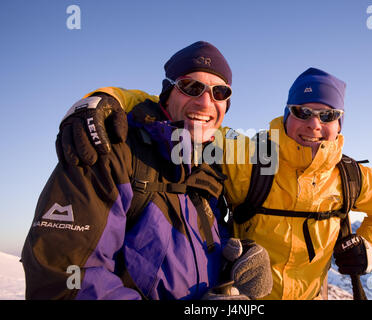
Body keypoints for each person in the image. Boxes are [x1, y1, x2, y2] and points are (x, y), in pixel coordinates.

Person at [51, 64, 372, 298]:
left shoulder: (353, 178)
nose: (313, 125)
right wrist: (108, 98)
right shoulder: (251, 155)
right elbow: (189, 116)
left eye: (328, 114)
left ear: (341, 121)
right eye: (302, 112)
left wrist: (369, 249)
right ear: (286, 114)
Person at [21, 41, 272, 300]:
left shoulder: (207, 169)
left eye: (219, 92)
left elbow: (181, 261)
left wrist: (235, 267)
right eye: (191, 87)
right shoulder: (110, 150)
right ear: (167, 93)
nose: (205, 102)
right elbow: (64, 278)